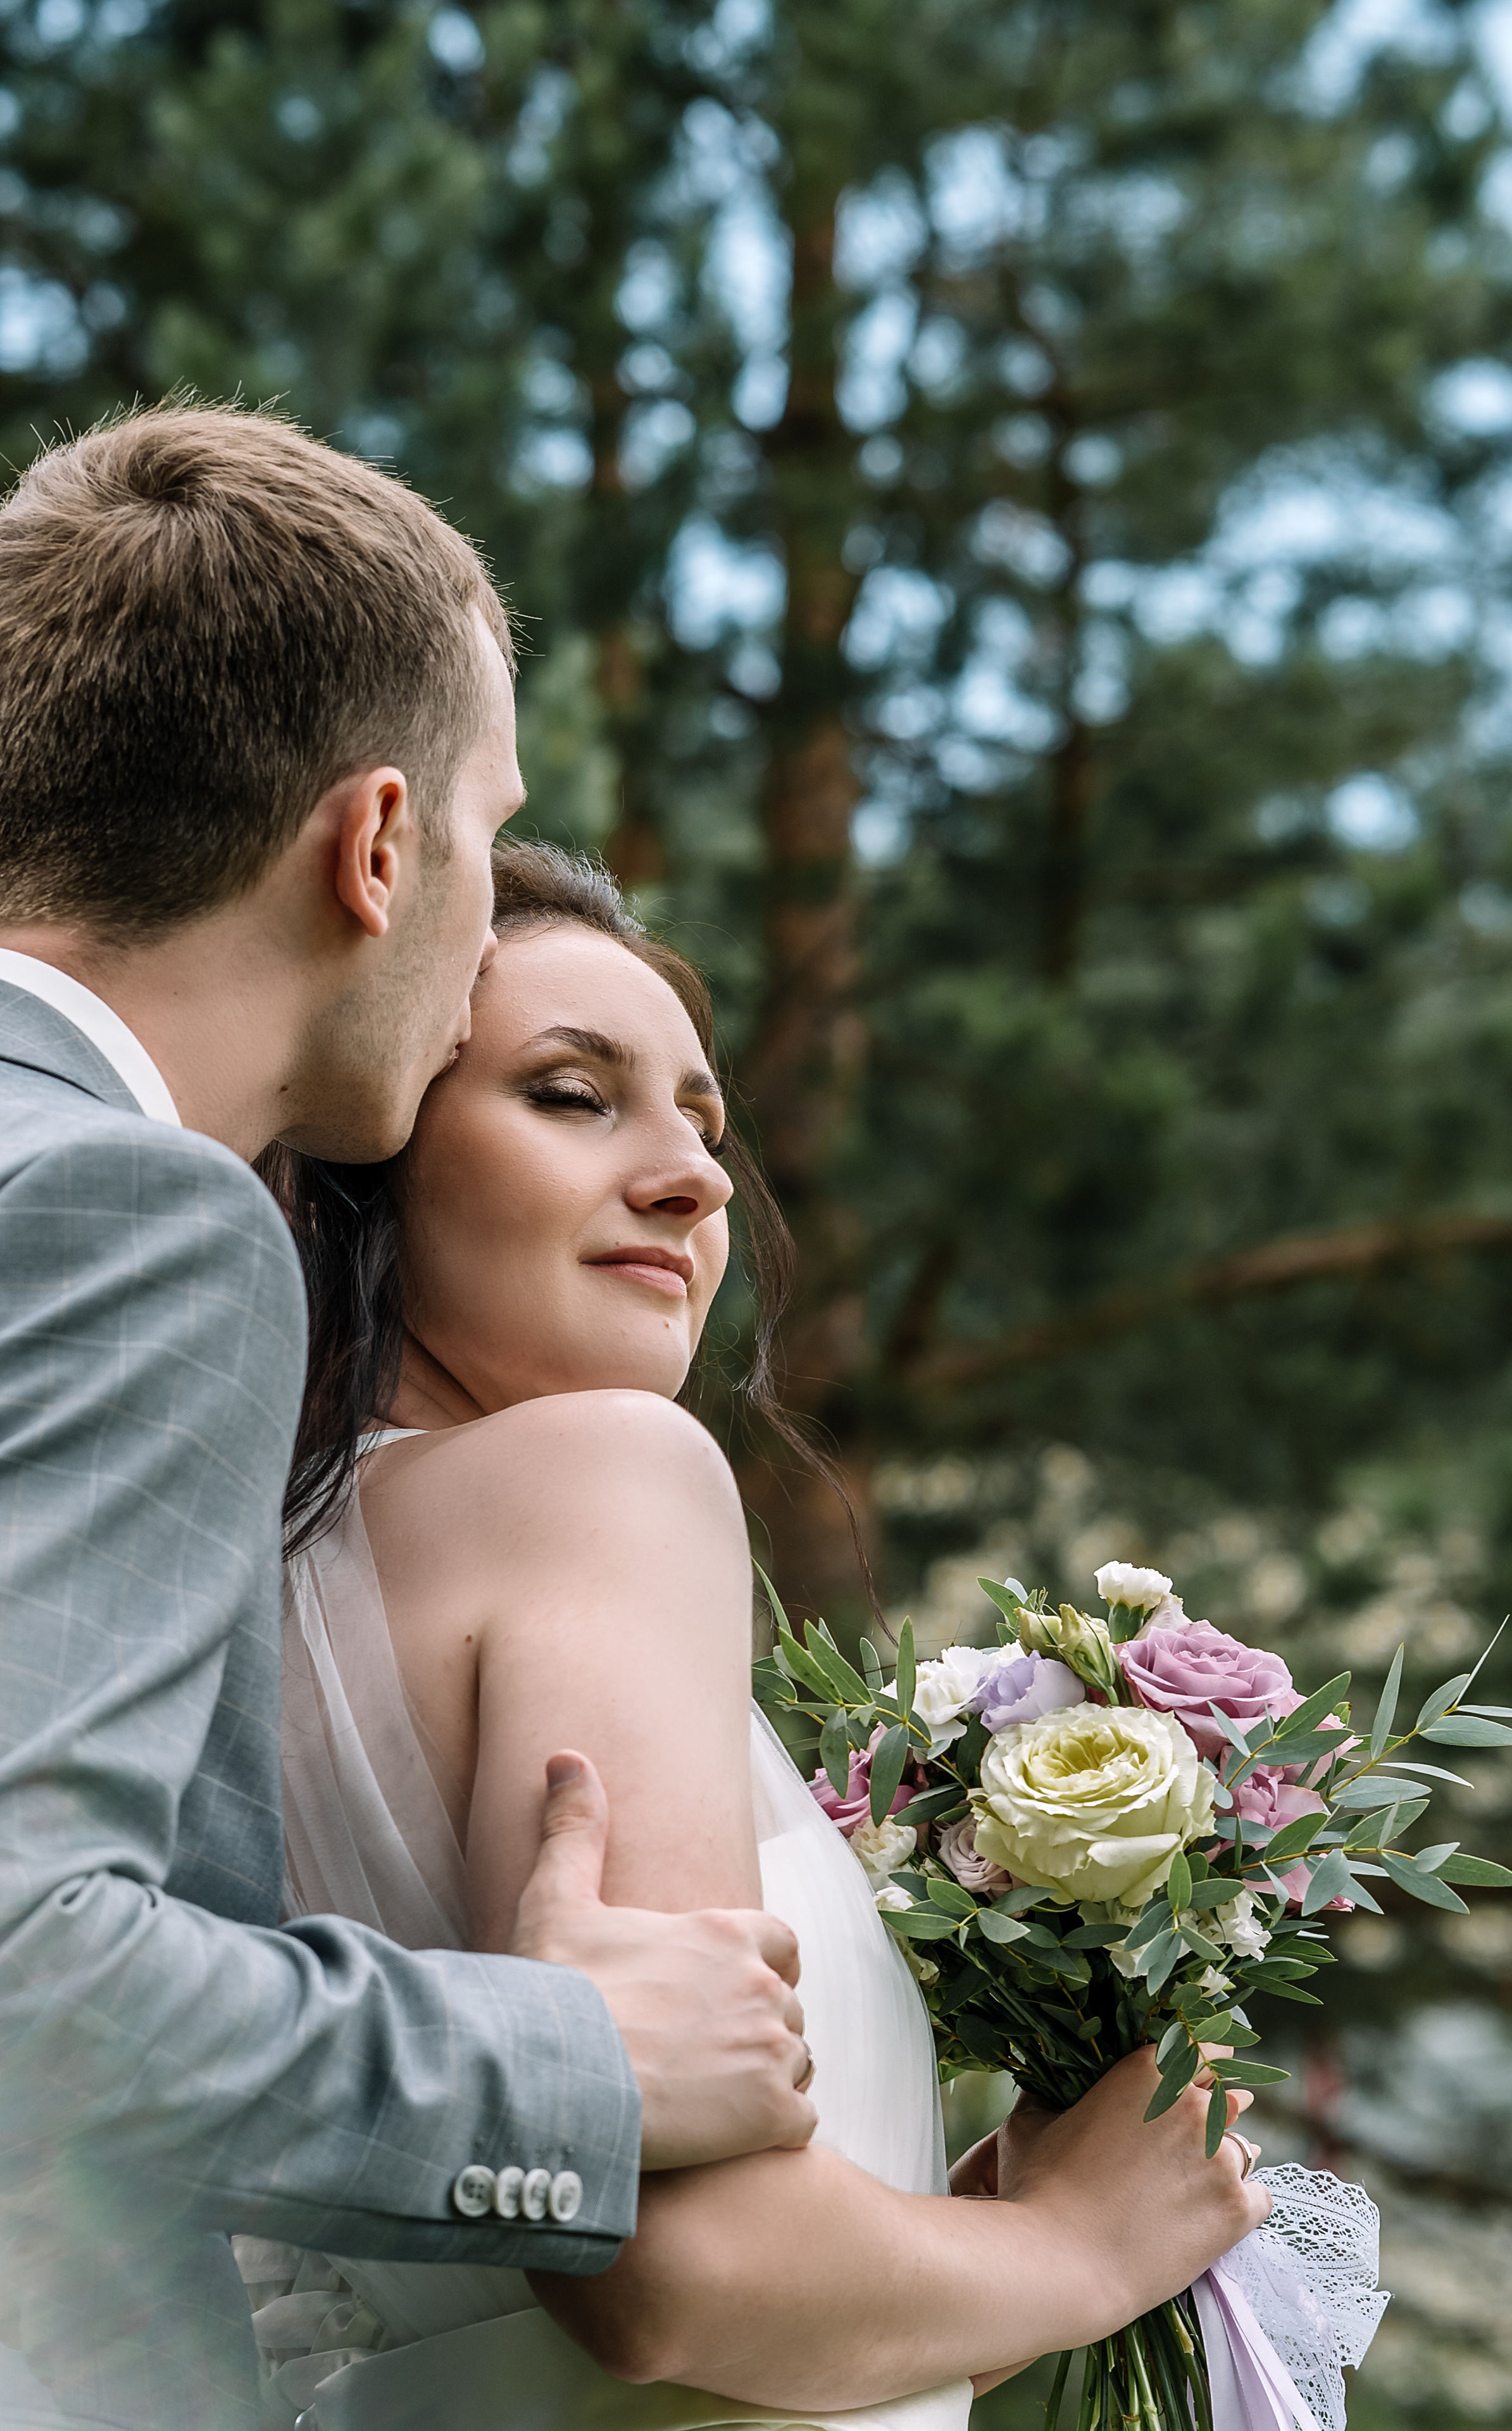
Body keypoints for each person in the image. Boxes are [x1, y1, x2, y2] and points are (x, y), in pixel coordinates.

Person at [0, 408, 815, 2431]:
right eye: (483, 829)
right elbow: (23, 1975)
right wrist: (576, 2062)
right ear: (377, 850)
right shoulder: (130, 1211)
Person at [245, 840, 1271, 2429]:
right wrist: (1074, 2251)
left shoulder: (246, 1589)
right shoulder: (602, 1476)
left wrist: (957, 2235)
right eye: (573, 1094)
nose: (695, 1176)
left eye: (704, 1122)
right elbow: (674, 2279)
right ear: (360, 1141)